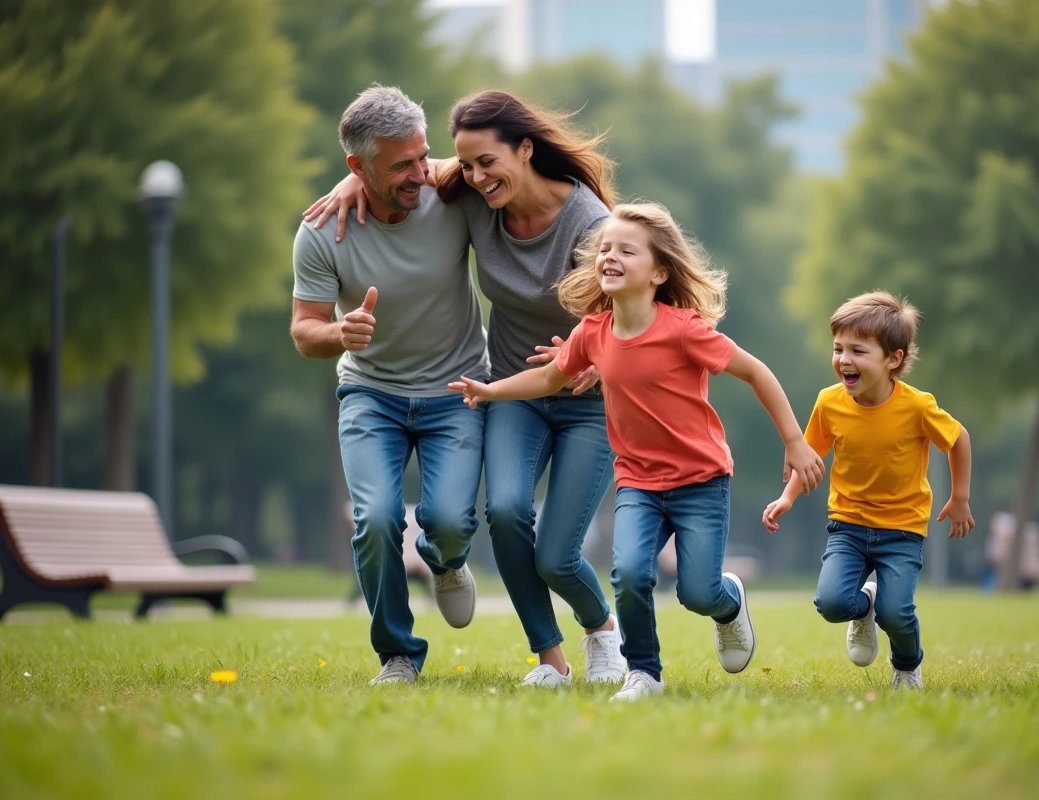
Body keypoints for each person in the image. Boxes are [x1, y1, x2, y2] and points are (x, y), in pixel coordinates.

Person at [305, 90, 625, 688]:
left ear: (527, 150)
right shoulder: (474, 198)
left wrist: (602, 361)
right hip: (510, 390)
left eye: (487, 163)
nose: (474, 175)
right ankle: (548, 660)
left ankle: (602, 632)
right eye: (467, 165)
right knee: (504, 512)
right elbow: (401, 170)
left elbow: (637, 313)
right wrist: (352, 185)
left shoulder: (591, 225)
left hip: (587, 399)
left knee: (557, 554)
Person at [450, 202, 826, 701]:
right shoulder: (592, 332)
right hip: (639, 482)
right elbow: (547, 377)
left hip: (701, 481)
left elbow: (756, 372)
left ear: (659, 272)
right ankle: (643, 672)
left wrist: (795, 440)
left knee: (697, 592)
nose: (610, 256)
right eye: (605, 248)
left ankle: (728, 601)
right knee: (628, 574)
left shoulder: (684, 329)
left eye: (627, 250)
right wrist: (491, 391)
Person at [291, 86, 490, 686]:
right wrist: (340, 333)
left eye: (422, 156)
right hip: (371, 393)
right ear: (358, 166)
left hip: (455, 388)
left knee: (450, 520)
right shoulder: (323, 231)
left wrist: (413, 171)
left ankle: (445, 560)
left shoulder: (447, 191)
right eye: (399, 165)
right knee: (375, 518)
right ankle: (398, 656)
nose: (418, 173)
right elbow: (304, 331)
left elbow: (496, 164)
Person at [762, 291, 974, 690]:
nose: (844, 359)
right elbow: (810, 459)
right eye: (838, 348)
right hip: (849, 524)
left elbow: (958, 438)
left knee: (896, 614)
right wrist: (787, 497)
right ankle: (864, 608)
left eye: (858, 350)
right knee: (831, 603)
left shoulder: (917, 407)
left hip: (902, 530)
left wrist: (959, 497)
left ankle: (907, 667)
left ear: (893, 359)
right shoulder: (830, 403)